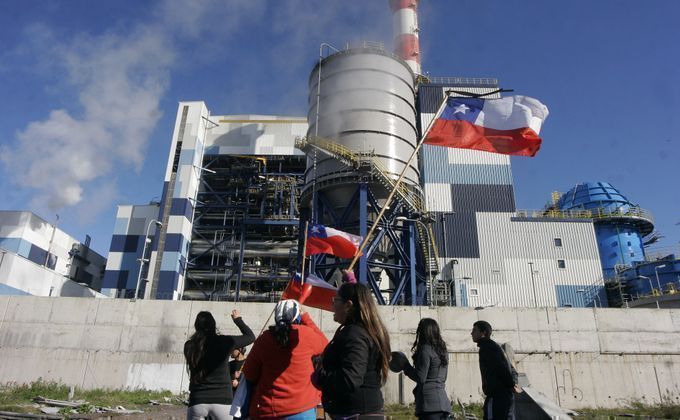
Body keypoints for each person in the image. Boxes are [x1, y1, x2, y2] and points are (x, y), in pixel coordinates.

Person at [315, 282, 391, 419]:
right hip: (357, 411)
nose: (332, 305)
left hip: (356, 413)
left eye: (335, 300)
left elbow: (351, 377)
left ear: (348, 305)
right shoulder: (361, 330)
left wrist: (321, 375)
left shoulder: (355, 334)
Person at [242, 299, 328, 419]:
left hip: (268, 410)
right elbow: (325, 345)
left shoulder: (264, 339)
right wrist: (306, 317)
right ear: (297, 317)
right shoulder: (307, 335)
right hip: (302, 410)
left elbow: (249, 374)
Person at [184, 309, 255, 420]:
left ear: (196, 326)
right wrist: (238, 320)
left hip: (197, 401)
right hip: (222, 400)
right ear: (213, 325)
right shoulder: (224, 342)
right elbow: (250, 337)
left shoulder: (189, 346)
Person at [392, 318, 451, 419]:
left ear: (422, 332)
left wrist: (406, 366)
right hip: (443, 404)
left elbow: (420, 377)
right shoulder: (443, 351)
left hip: (429, 405)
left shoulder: (425, 349)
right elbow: (444, 377)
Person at [470, 321, 515, 420]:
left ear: (483, 333)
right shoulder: (492, 346)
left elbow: (500, 367)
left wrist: (511, 384)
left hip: (497, 396)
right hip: (503, 395)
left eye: (475, 330)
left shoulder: (487, 347)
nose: (471, 333)